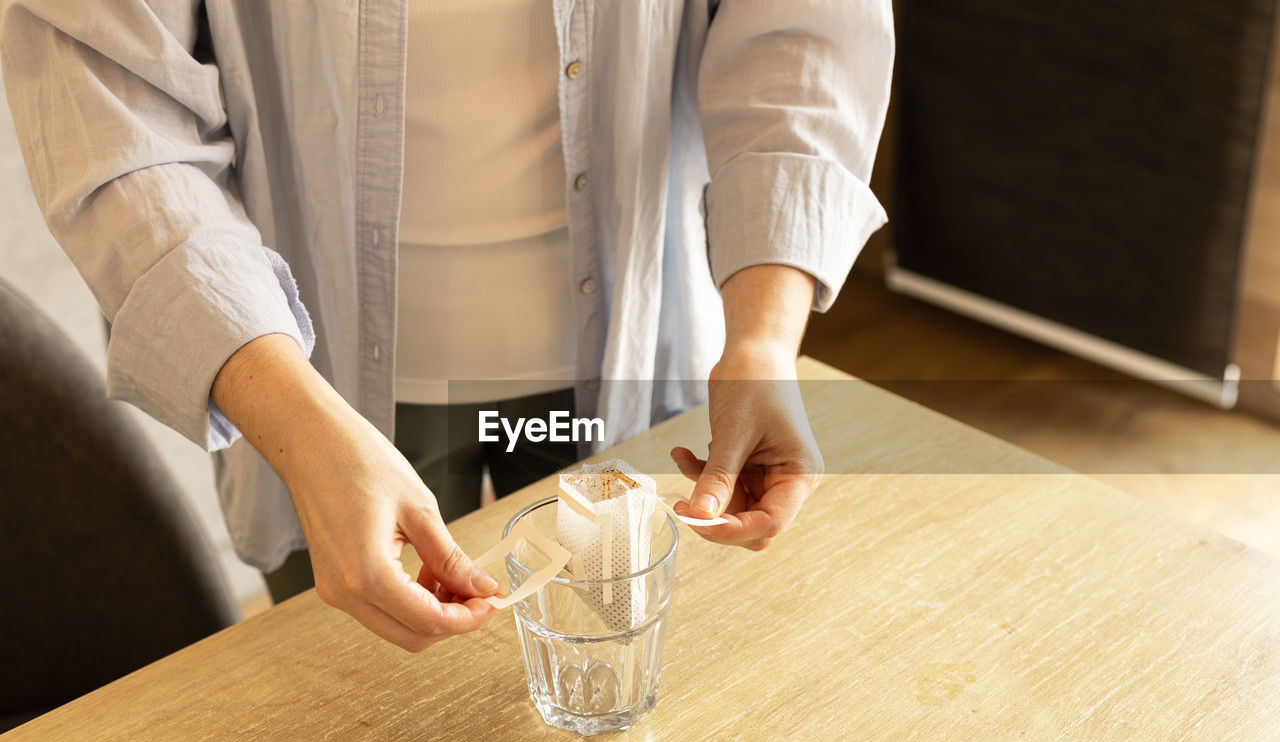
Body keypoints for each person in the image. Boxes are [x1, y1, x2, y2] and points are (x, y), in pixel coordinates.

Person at [0, 0, 893, 652]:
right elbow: (110, 109)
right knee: (369, 726)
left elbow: (805, 27)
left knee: (613, 701)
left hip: (636, 352)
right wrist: (299, 428)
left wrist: (765, 335)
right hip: (318, 390)